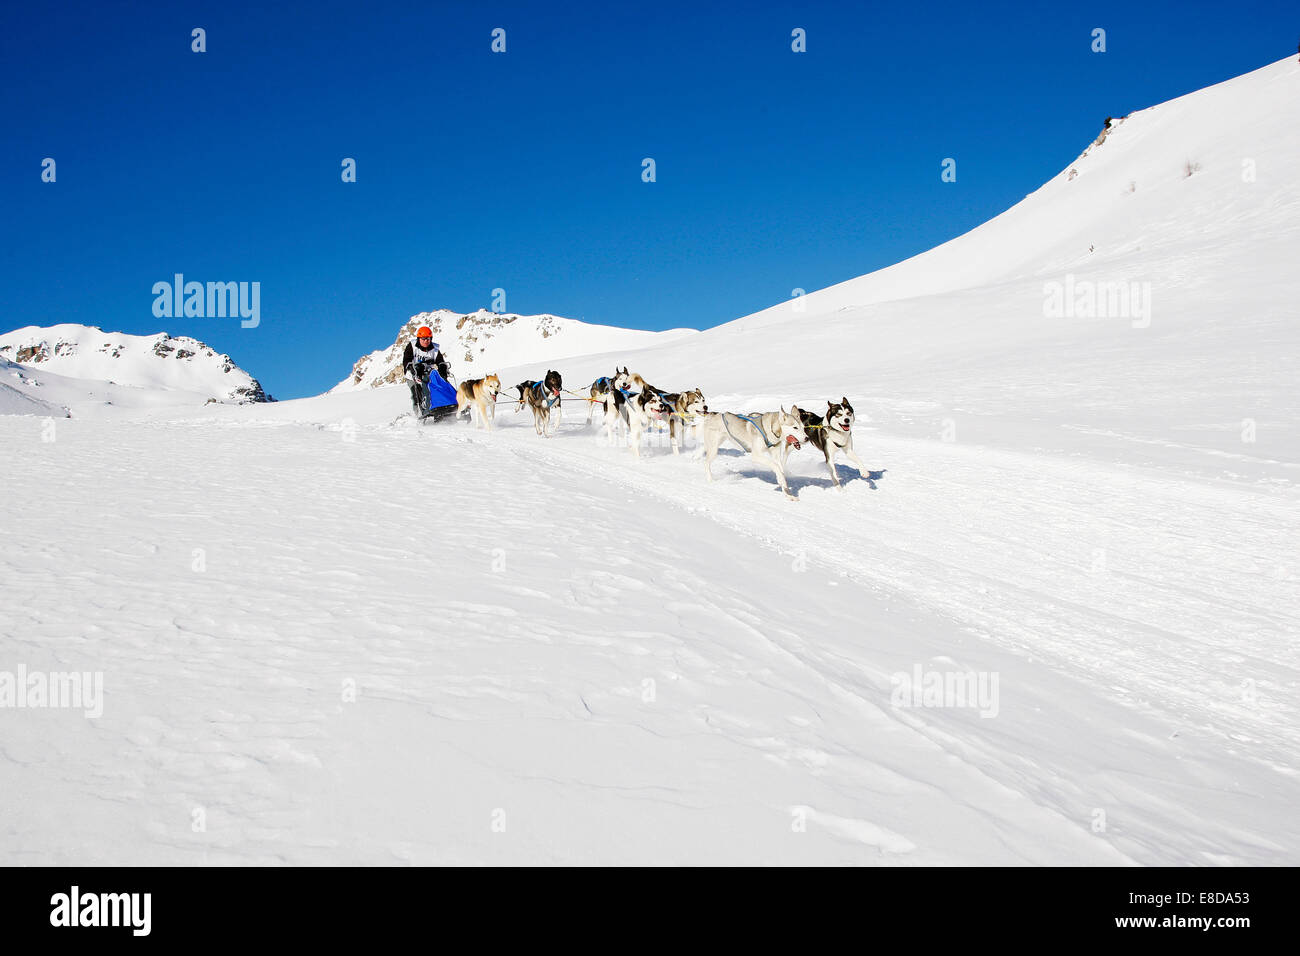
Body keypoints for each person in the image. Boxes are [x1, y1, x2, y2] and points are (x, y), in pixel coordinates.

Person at [402, 327, 456, 419]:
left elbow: (440, 361)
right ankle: (419, 413)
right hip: (413, 375)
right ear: (419, 339)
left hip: (428, 373)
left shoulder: (434, 349)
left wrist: (442, 369)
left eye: (428, 339)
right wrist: (411, 368)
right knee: (416, 394)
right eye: (423, 339)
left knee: (439, 385)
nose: (426, 341)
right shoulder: (412, 346)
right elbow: (406, 360)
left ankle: (447, 403)